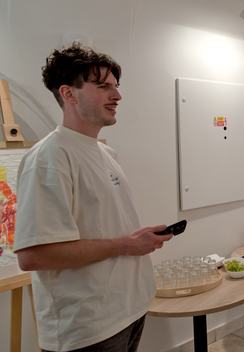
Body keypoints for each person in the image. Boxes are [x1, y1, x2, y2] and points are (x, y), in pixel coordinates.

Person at [14, 43, 173, 352]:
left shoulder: (104, 151)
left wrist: (136, 239)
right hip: (87, 329)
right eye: (103, 87)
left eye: (115, 86)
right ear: (68, 94)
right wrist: (126, 245)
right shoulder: (49, 157)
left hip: (127, 311)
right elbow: (33, 255)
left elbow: (101, 227)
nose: (117, 95)